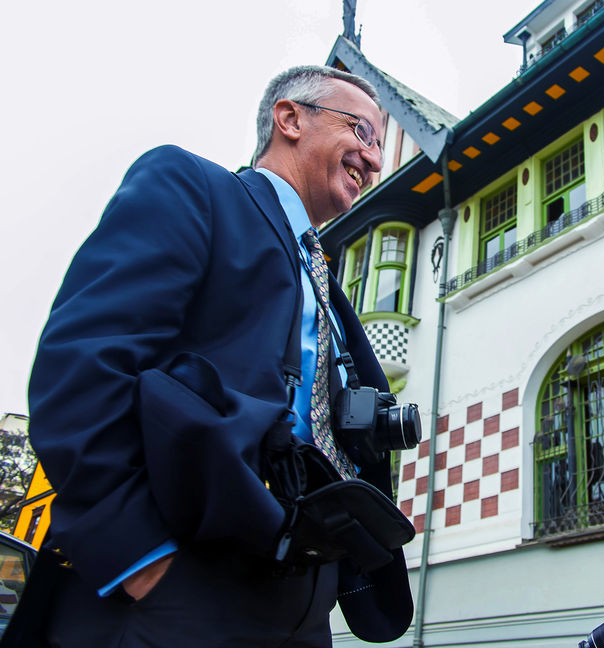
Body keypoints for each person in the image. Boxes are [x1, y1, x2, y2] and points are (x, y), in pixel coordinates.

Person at [26, 65, 412, 647]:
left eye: (379, 143)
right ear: (289, 119)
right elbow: (81, 367)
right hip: (180, 585)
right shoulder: (194, 189)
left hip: (304, 601)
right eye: (361, 132)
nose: (375, 159)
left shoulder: (326, 284)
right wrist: (142, 560)